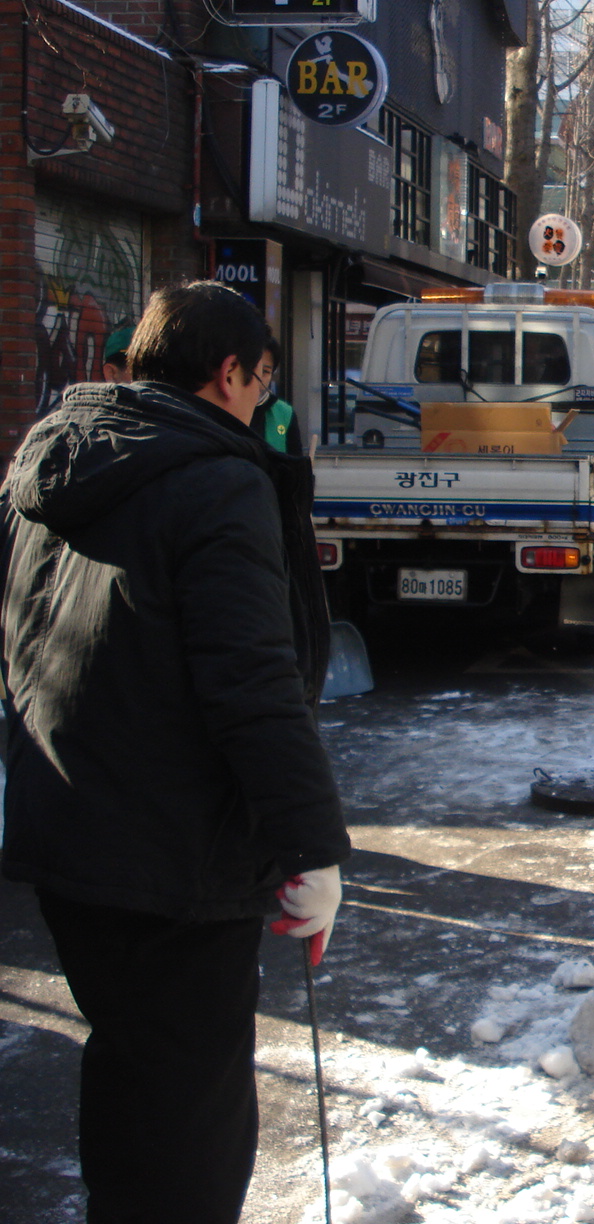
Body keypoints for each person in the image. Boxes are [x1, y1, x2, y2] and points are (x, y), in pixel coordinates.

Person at [0, 280, 350, 1222]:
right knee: (190, 1122)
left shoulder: (49, 457)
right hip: (173, 854)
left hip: (67, 830)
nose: (263, 400)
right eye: (262, 378)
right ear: (228, 373)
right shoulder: (216, 480)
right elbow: (252, 683)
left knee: (129, 1075)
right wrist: (312, 847)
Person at [250, 336, 304, 455]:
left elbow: (294, 462)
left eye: (266, 371)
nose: (258, 378)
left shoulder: (284, 412)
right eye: (252, 368)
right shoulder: (223, 408)